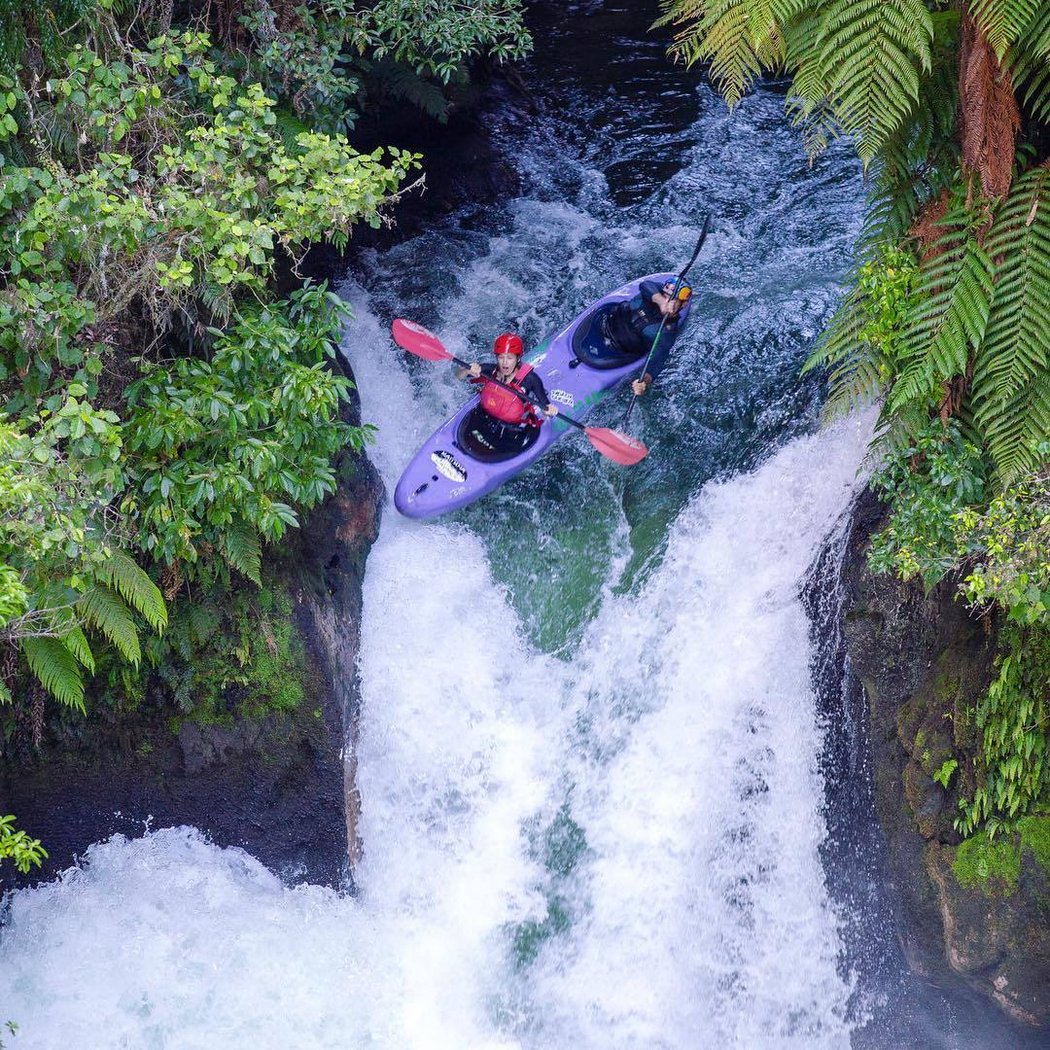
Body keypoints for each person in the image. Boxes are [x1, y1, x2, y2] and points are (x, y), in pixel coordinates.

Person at [456, 332, 558, 459]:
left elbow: (545, 406)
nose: (505, 363)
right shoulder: (490, 371)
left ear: (518, 358)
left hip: (512, 432)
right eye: (501, 357)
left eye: (509, 358)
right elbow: (459, 376)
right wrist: (466, 369)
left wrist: (549, 410)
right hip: (483, 420)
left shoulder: (530, 380)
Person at [601, 280, 692, 395]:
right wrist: (662, 302)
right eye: (666, 296)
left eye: (674, 300)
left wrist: (644, 382)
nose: (669, 301)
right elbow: (645, 285)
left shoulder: (666, 333)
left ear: (684, 304)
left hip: (617, 350)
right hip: (604, 324)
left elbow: (656, 364)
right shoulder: (653, 294)